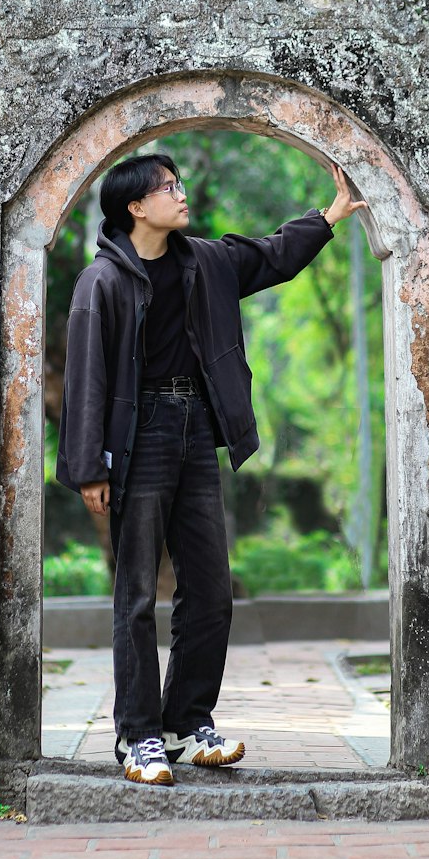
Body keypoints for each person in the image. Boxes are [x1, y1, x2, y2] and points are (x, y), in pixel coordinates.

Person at [56, 151, 367, 786]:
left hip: (195, 431)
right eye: (167, 187)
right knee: (137, 594)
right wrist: (91, 467)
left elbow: (271, 256)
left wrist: (329, 216)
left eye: (178, 183)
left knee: (212, 593)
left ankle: (184, 722)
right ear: (136, 207)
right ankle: (138, 737)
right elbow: (86, 379)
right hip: (136, 437)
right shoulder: (102, 282)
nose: (181, 193)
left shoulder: (204, 261)